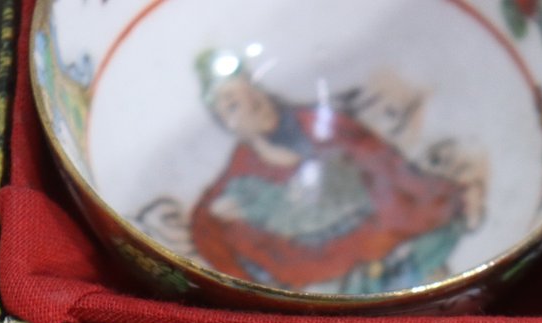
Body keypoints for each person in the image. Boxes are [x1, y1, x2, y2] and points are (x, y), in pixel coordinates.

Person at [186, 53, 469, 293]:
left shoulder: (322, 125)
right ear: (227, 124)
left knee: (437, 224)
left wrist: (435, 197)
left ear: (261, 93)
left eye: (250, 94)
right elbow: (208, 223)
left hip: (372, 227)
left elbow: (386, 166)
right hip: (311, 259)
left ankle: (392, 276)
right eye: (232, 106)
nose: (248, 106)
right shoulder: (241, 169)